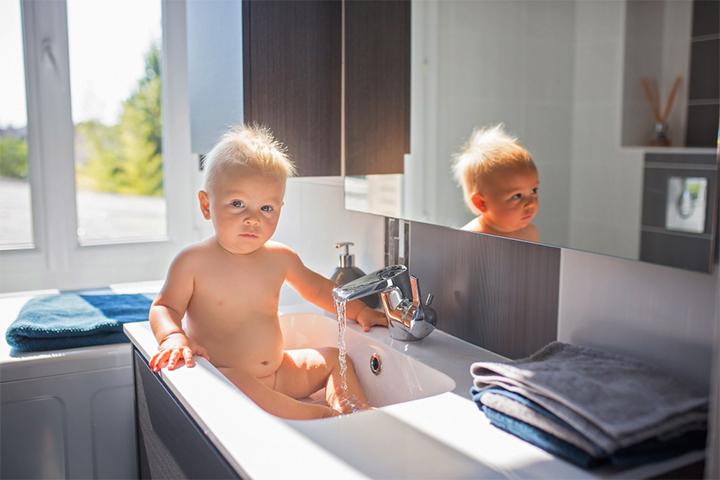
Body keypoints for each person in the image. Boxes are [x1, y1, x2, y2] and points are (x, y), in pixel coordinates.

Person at [148, 125, 387, 420]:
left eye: (266, 208)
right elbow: (164, 307)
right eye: (237, 204)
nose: (252, 219)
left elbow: (319, 290)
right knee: (244, 388)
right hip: (229, 377)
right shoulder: (193, 262)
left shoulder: (279, 257)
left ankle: (350, 406)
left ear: (280, 208)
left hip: (278, 370)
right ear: (206, 205)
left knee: (335, 360)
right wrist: (172, 336)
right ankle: (320, 417)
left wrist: (360, 311)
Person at [451, 124, 539, 242]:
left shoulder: (529, 233)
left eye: (534, 190)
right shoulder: (469, 238)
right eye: (517, 196)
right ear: (481, 203)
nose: (531, 203)